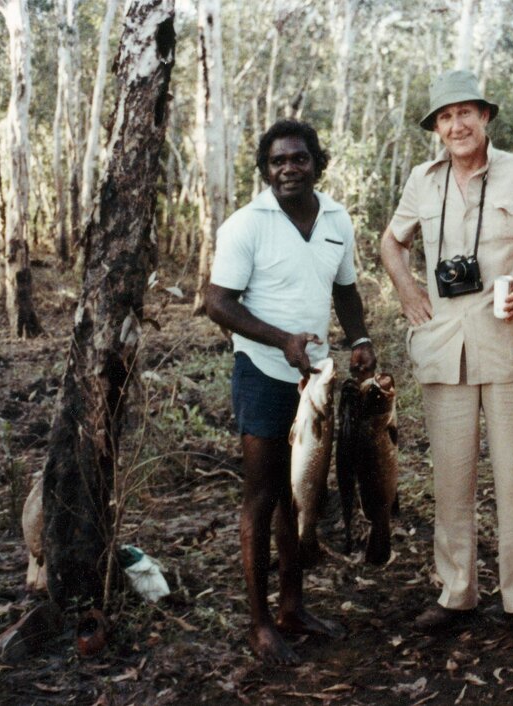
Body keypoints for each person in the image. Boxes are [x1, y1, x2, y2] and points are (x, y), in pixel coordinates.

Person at [380, 70, 513, 640]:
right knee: (451, 478)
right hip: (444, 347)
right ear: (436, 128)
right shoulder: (422, 180)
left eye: (465, 113)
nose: (455, 125)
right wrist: (410, 293)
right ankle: (456, 591)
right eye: (444, 116)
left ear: (486, 117)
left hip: (509, 344)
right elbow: (391, 242)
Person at [205, 119, 376, 664]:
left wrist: (361, 338)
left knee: (302, 493)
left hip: (316, 380)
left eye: (298, 159)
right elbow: (218, 303)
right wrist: (281, 340)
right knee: (261, 494)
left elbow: (345, 288)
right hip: (262, 372)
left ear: (316, 164)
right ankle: (259, 624)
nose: (288, 169)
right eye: (277, 162)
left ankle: (292, 608)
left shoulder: (336, 219)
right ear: (265, 170)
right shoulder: (245, 225)